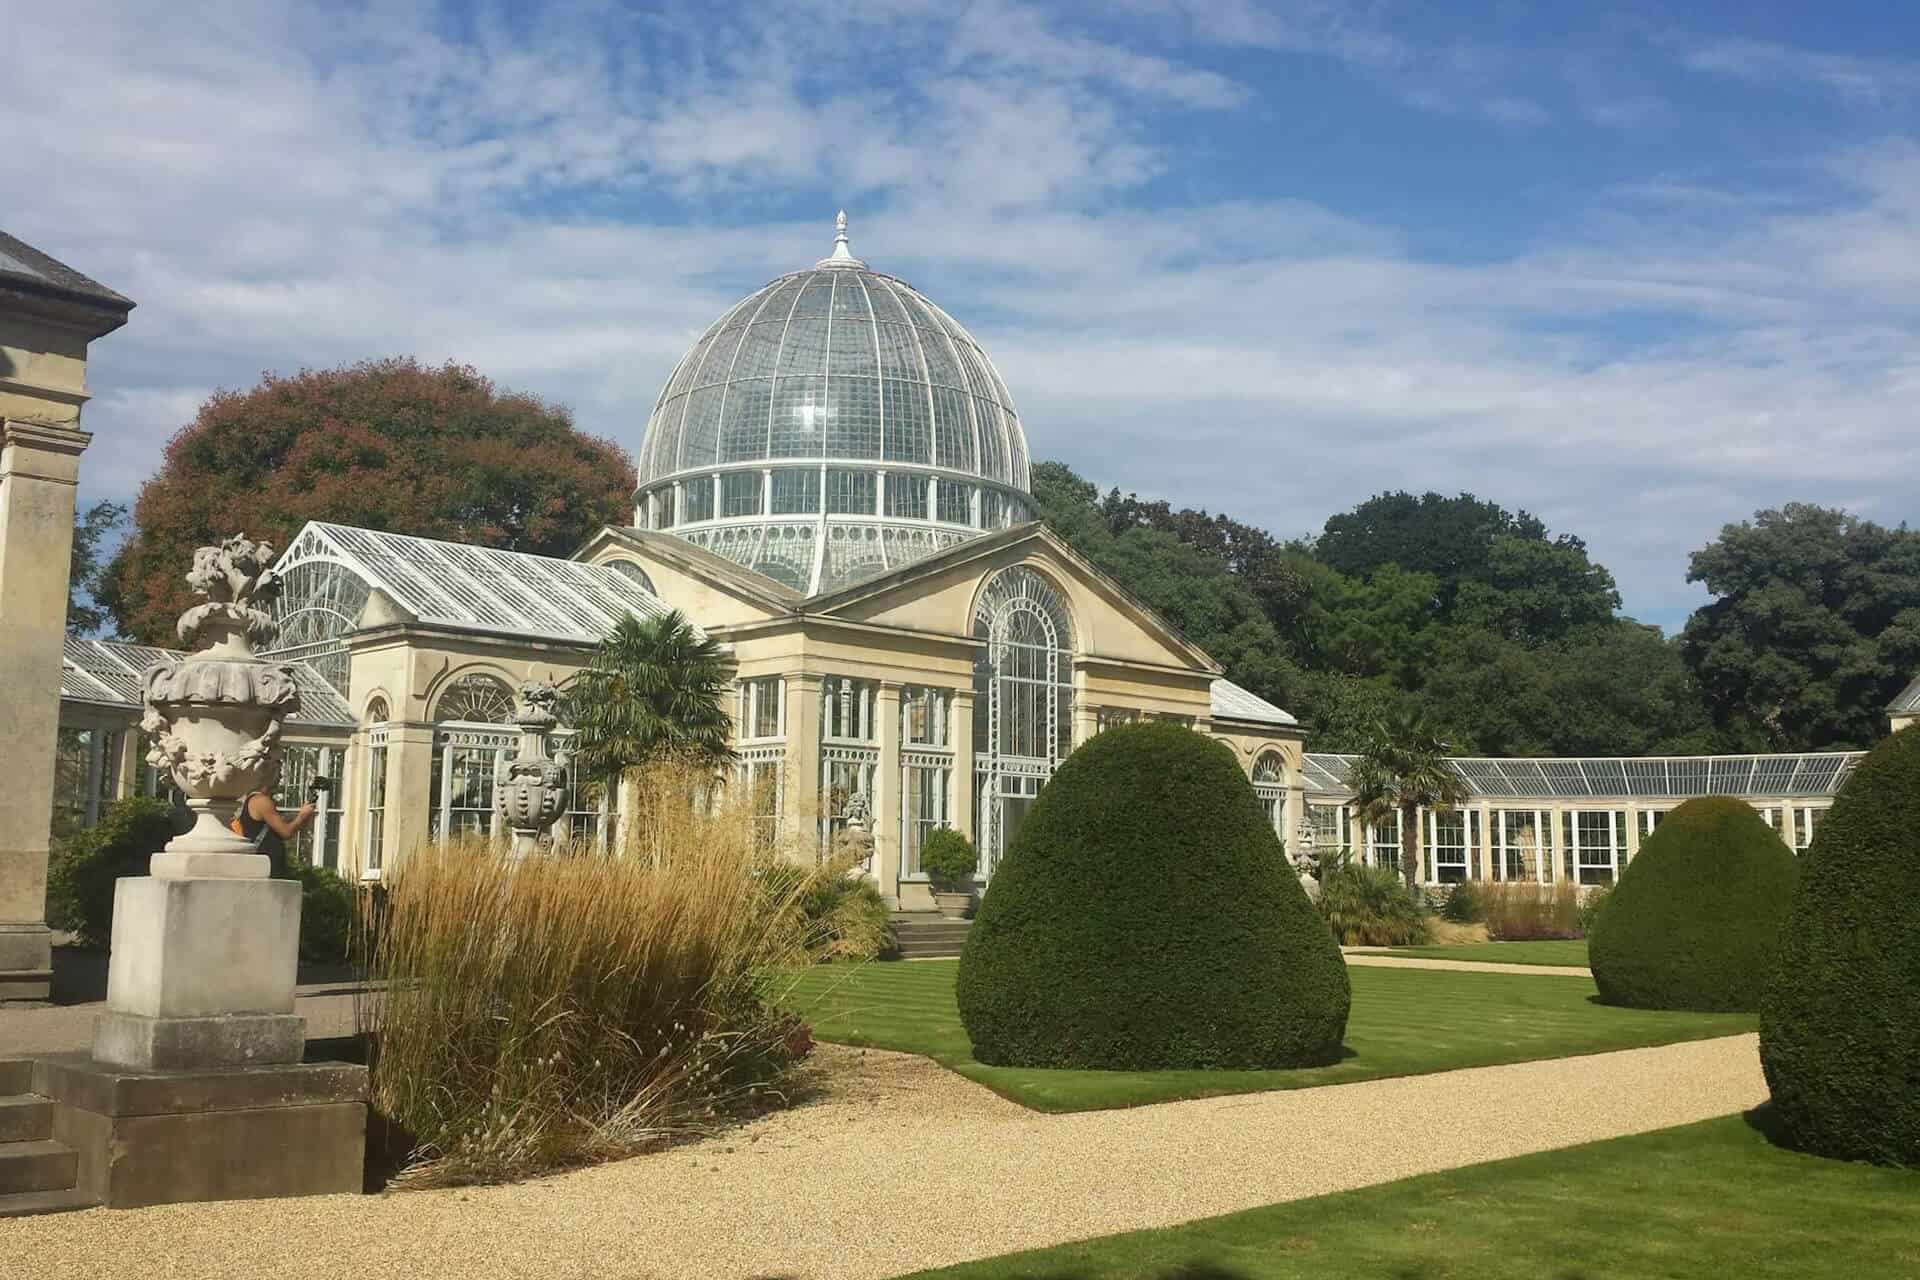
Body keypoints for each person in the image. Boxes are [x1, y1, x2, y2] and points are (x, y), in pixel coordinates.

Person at [237, 786, 316, 878]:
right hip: (267, 863)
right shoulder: (261, 801)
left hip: (264, 863)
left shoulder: (253, 800)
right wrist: (302, 817)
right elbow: (286, 832)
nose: (279, 778)